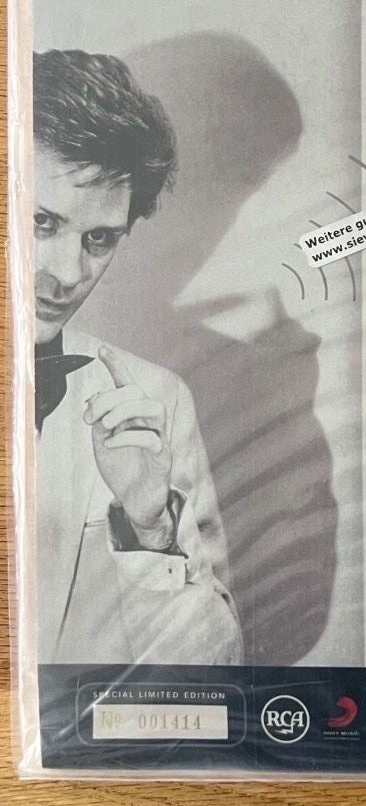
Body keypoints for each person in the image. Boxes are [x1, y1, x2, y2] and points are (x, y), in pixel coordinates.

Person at [30, 49, 242, 664]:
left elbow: (214, 677)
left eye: (98, 239)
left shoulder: (151, 402)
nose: (68, 273)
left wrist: (149, 528)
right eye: (42, 222)